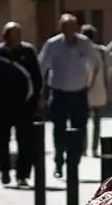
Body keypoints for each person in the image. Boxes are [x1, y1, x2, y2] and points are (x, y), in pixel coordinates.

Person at [39, 14, 101, 179]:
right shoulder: (52, 44)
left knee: (80, 130)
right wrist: (41, 93)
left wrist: (90, 84)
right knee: (59, 130)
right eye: (66, 27)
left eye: (72, 27)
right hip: (59, 93)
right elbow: (42, 68)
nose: (70, 31)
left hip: (79, 93)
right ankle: (59, 162)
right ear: (61, 28)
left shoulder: (84, 43)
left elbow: (96, 63)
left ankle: (74, 160)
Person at [0, 22, 42, 187]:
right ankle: (4, 170)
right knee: (0, 141)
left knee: (26, 142)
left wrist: (37, 97)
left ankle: (22, 175)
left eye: (18, 34)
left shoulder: (28, 52)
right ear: (5, 36)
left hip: (24, 105)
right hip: (0, 106)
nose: (15, 38)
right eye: (11, 35)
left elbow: (36, 77)